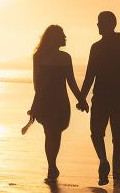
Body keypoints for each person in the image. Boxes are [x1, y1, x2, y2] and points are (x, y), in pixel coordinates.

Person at [78, 10, 120, 185]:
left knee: (97, 133)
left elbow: (90, 76)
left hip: (103, 98)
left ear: (110, 24)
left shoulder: (100, 48)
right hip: (118, 98)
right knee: (117, 137)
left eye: (100, 22)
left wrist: (82, 98)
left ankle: (105, 162)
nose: (97, 25)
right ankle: (114, 170)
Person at [27, 25, 86, 183]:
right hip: (55, 100)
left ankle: (52, 165)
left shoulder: (44, 57)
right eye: (62, 34)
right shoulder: (51, 57)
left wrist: (81, 99)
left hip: (50, 100)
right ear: (54, 38)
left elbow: (38, 85)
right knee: (53, 133)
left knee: (52, 133)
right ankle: (52, 166)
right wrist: (81, 99)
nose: (65, 37)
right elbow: (70, 83)